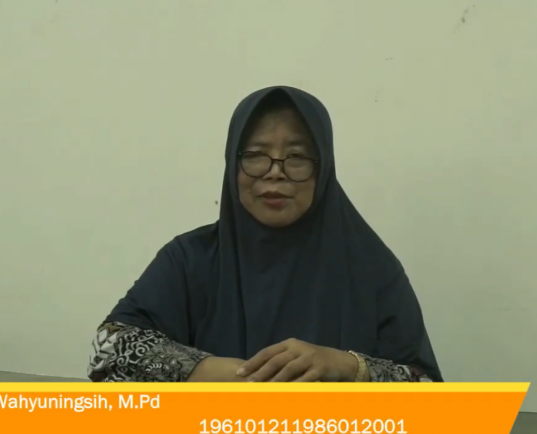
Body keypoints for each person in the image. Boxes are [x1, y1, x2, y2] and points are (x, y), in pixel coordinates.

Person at [88, 86, 443, 382]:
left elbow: (427, 392)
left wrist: (348, 366)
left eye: (297, 156)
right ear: (233, 164)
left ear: (323, 170)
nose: (275, 172)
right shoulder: (190, 258)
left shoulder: (371, 268)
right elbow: (109, 349)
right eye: (256, 155)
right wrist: (227, 374)